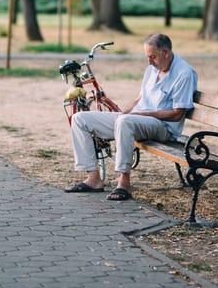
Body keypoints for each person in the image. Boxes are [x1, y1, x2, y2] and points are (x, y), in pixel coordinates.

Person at [65, 33, 198, 201]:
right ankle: (93, 179)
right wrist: (124, 113)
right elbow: (139, 99)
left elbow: (177, 114)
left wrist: (139, 115)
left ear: (165, 53)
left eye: (153, 57)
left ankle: (124, 182)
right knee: (80, 119)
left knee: (125, 122)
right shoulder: (152, 70)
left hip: (163, 126)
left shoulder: (184, 74)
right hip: (136, 120)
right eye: (147, 57)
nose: (149, 62)